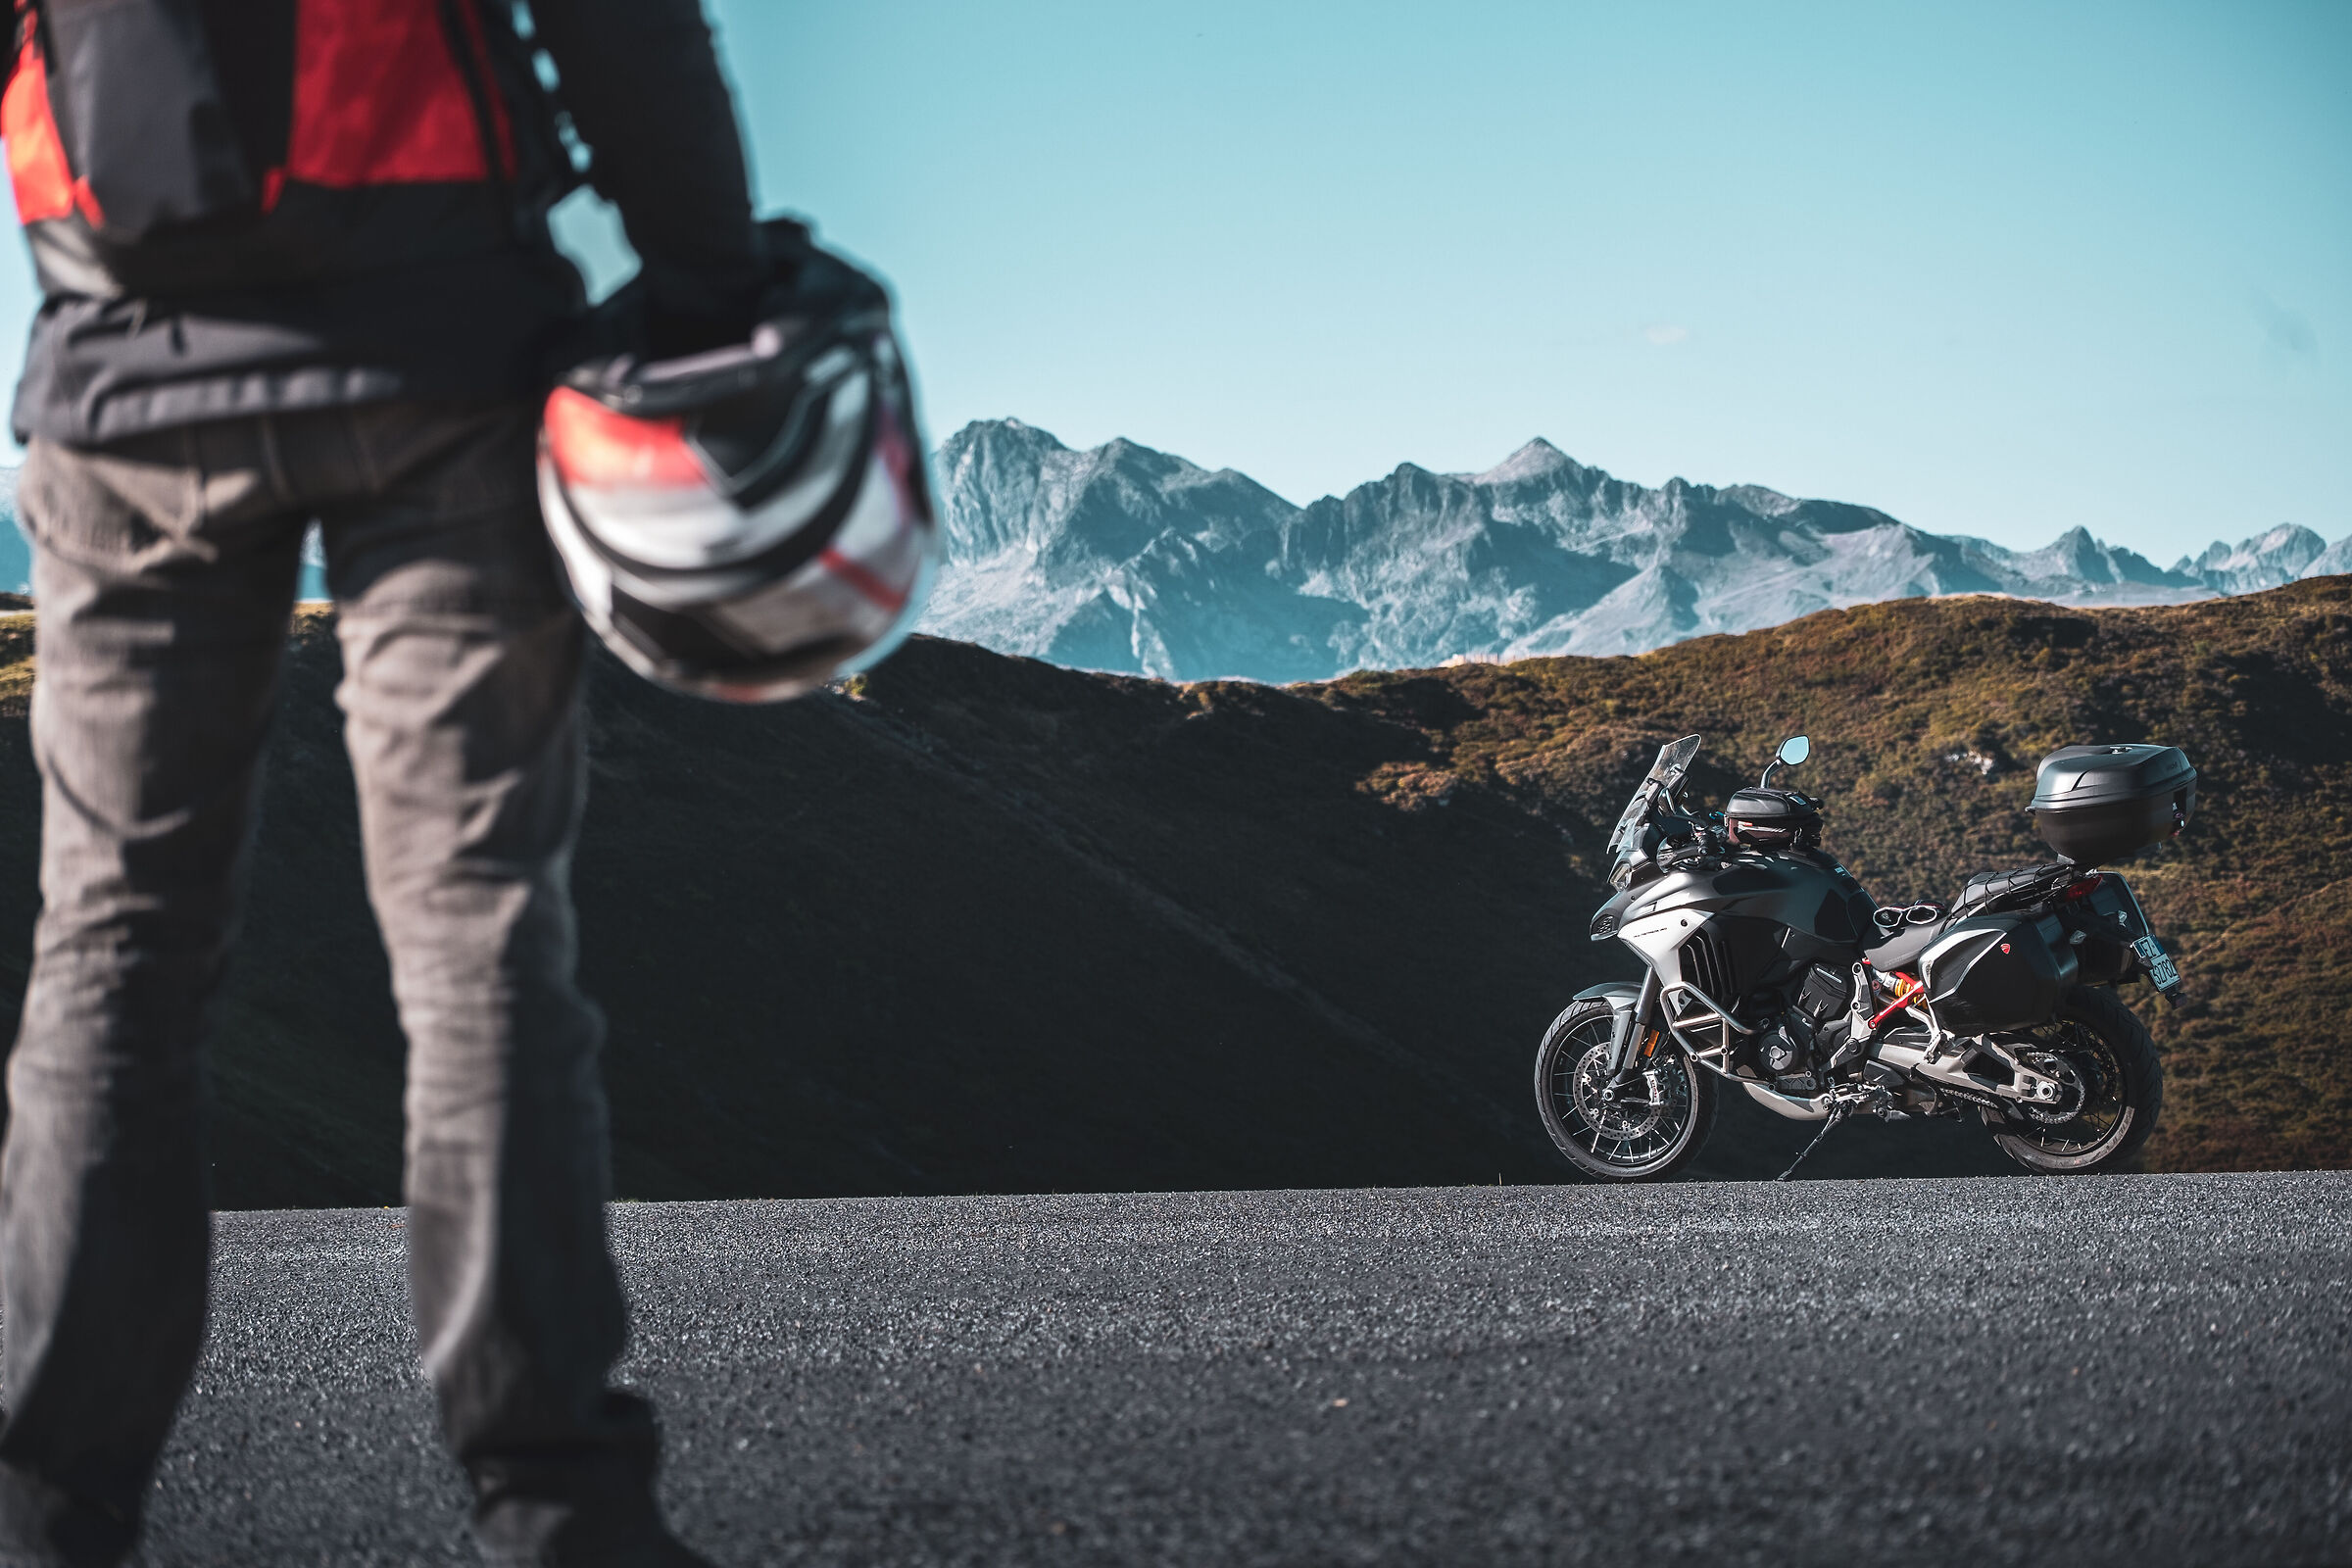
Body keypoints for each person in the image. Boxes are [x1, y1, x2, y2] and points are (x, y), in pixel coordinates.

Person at [0, 2, 764, 1562]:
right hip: (448, 355)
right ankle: (557, 1502)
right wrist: (707, 283)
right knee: (478, 937)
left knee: (114, 954)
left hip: (130, 375)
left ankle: (45, 1505)